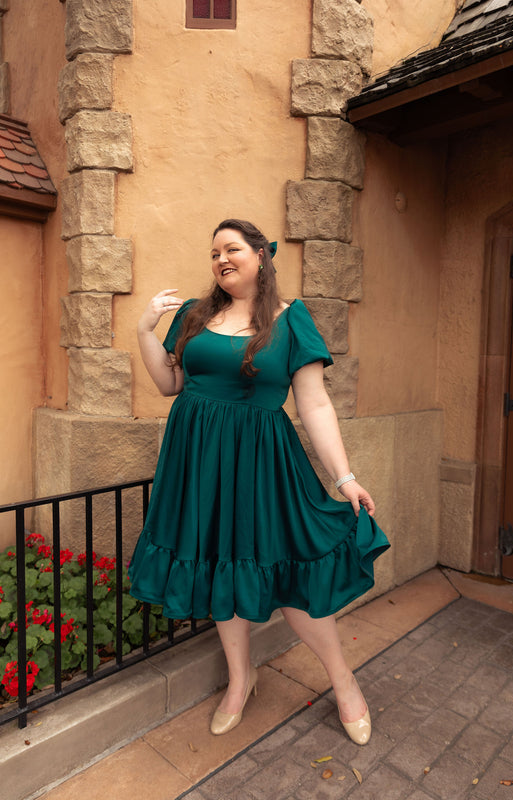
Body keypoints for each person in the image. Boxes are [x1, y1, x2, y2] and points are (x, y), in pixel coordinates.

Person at [128, 219, 390, 744]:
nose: (221, 259)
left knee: (286, 575)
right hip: (198, 465)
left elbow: (315, 404)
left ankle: (344, 683)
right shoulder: (194, 315)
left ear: (261, 255)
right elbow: (169, 383)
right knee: (222, 568)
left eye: (232, 249)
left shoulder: (290, 321)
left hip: (261, 467)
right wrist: (144, 331)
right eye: (214, 253)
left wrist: (344, 478)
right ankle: (240, 681)